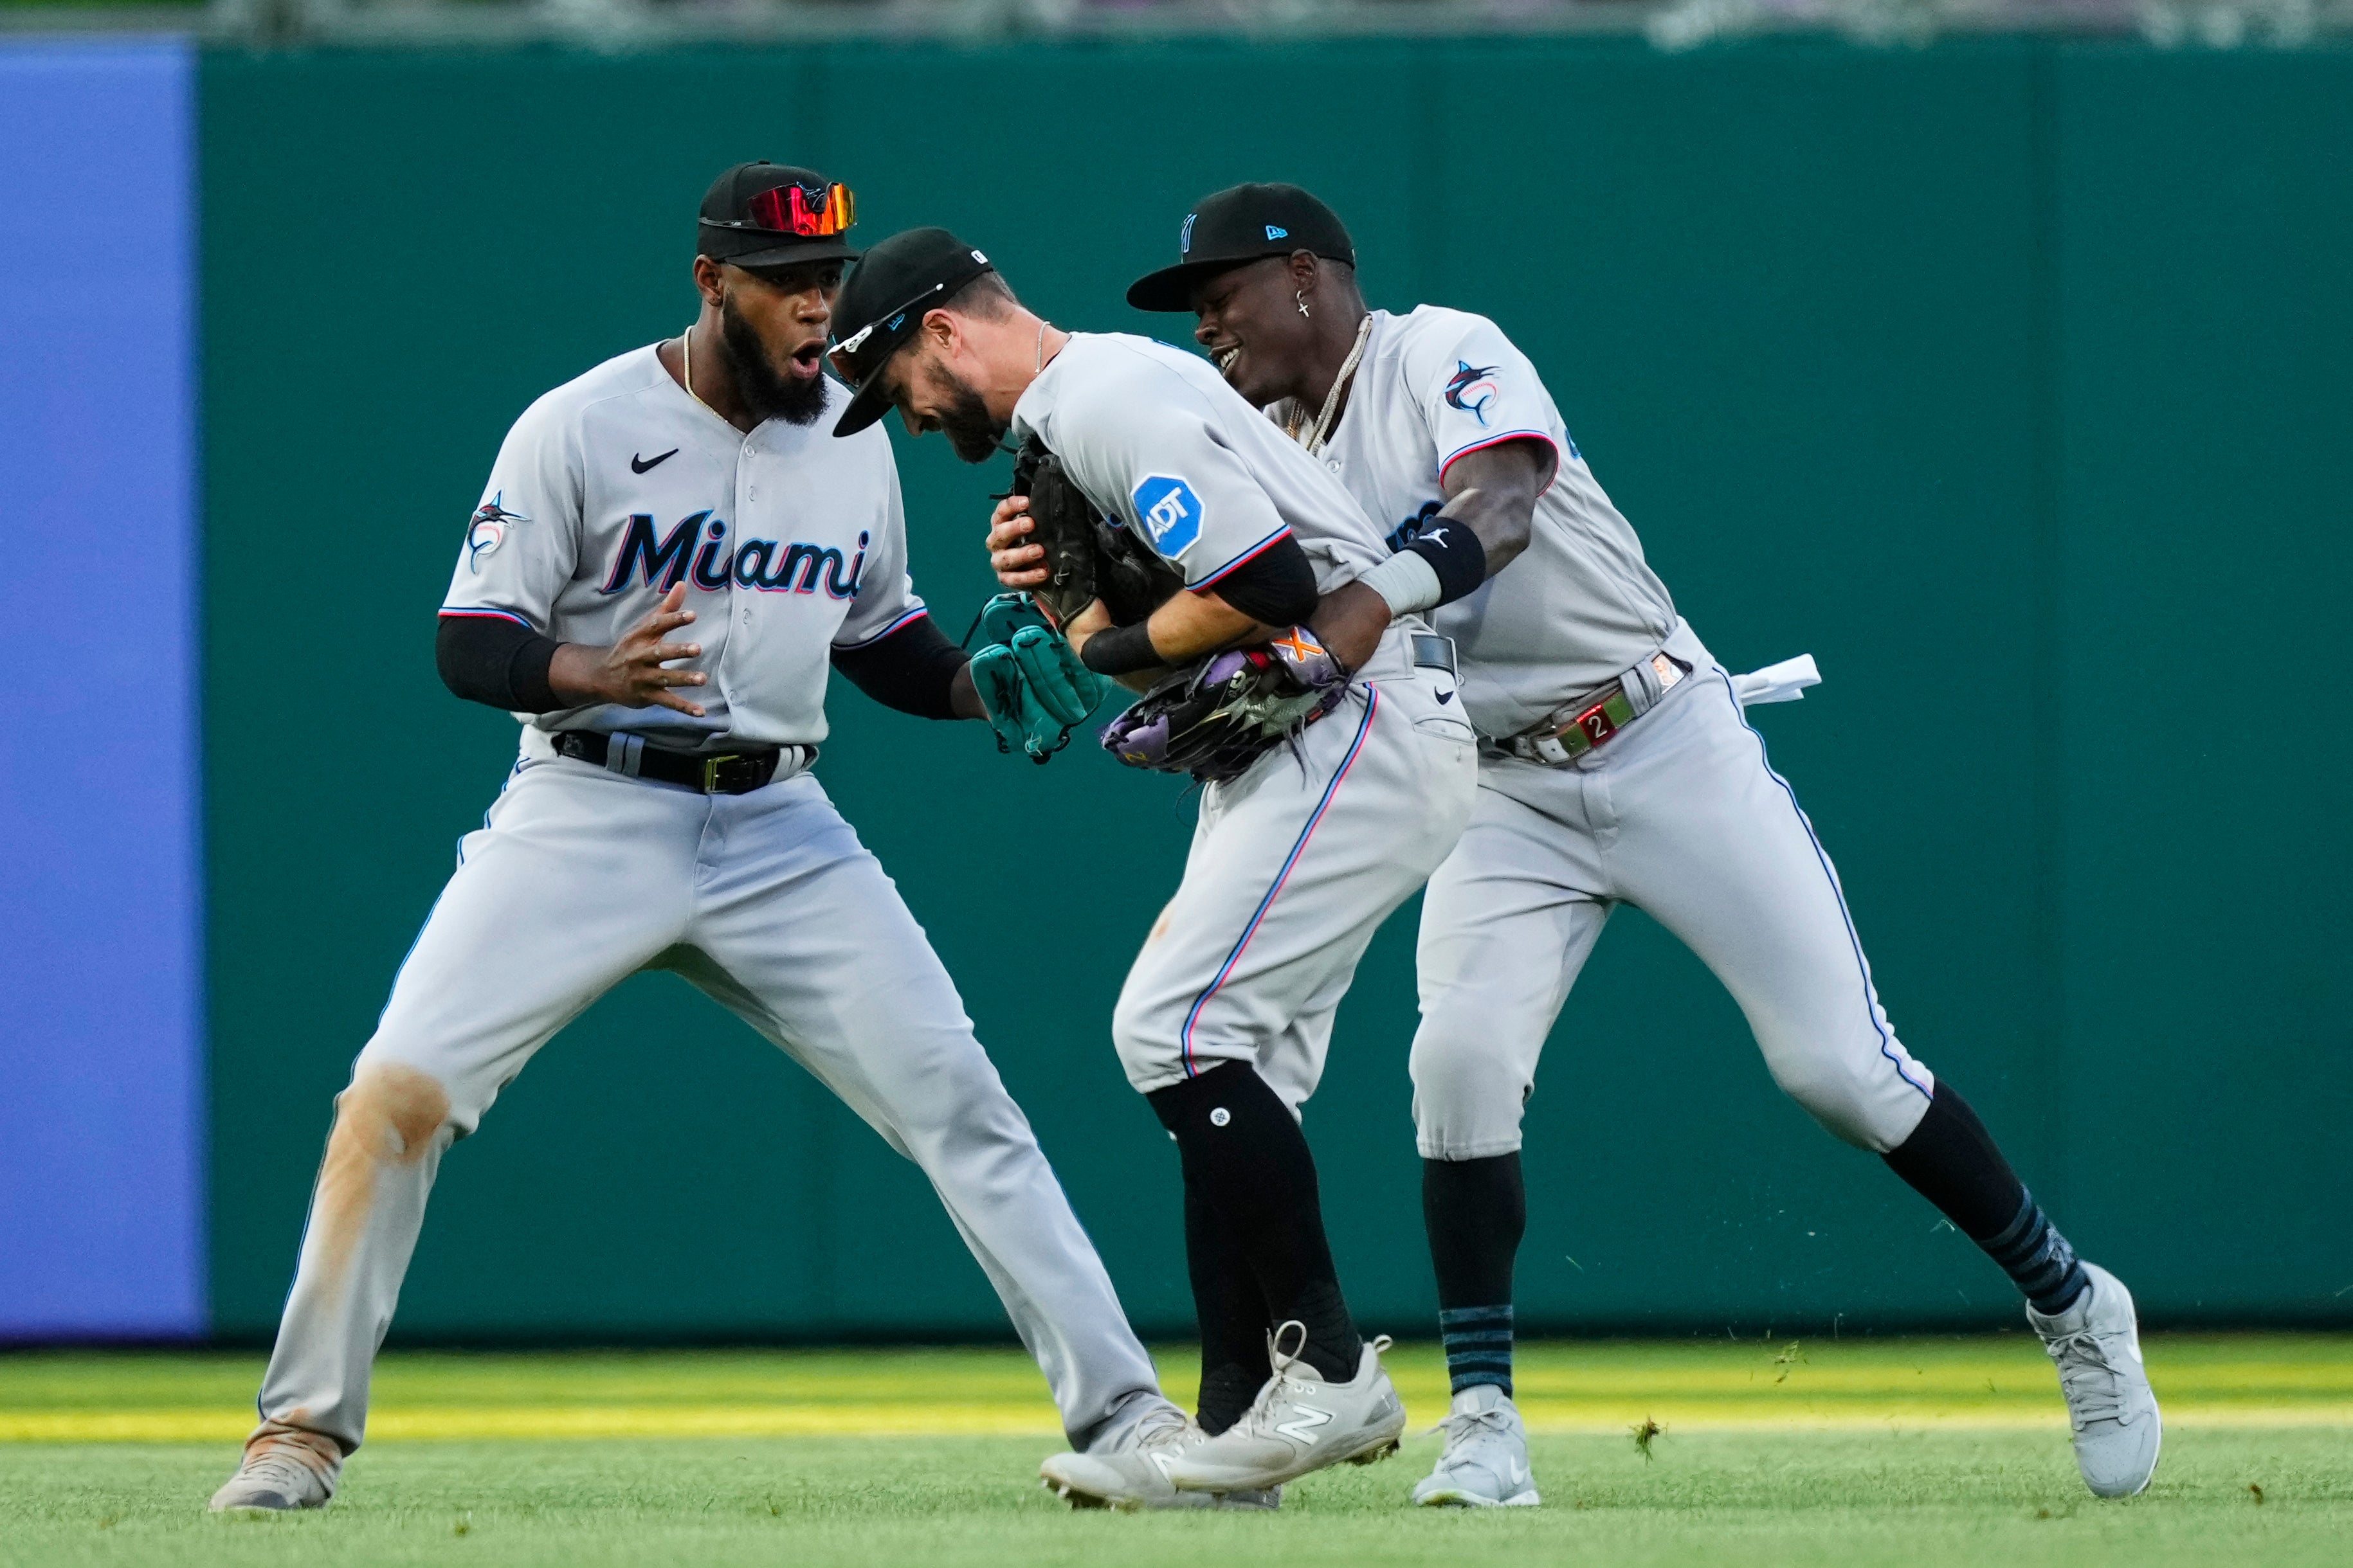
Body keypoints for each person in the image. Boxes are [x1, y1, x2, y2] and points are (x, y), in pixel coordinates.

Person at [1093, 182, 2160, 1507]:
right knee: (1458, 1062)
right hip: (1496, 785)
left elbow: (1497, 509)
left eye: (1220, 295)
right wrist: (1085, 600)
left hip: (1659, 733)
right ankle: (1483, 1414)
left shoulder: (1440, 350)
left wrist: (1368, 600)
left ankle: (2071, 1299)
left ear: (1307, 277)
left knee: (1839, 1067)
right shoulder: (1265, 439)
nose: (1206, 327)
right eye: (1191, 310)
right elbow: (1218, 597)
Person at [206, 163, 1188, 1513]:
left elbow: (883, 637)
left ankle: (1129, 1416)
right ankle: (298, 1431)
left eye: (830, 280)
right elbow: (468, 637)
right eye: (786, 283)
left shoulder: (848, 436)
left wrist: (977, 683)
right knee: (399, 1087)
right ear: (710, 282)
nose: (815, 307)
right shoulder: (581, 424)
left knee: (961, 1102)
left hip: (783, 824)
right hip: (588, 806)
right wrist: (589, 671)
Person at [829, 225, 1479, 1506]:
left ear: (947, 331)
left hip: (1358, 718)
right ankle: (1237, 1441)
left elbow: (1268, 580)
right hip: (1310, 733)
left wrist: (1100, 641)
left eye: (895, 378)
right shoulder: (1088, 411)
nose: (901, 416)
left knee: (1174, 1024)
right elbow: (1215, 588)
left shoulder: (1111, 397)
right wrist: (1095, 605)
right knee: (1240, 1068)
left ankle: (1333, 1370)